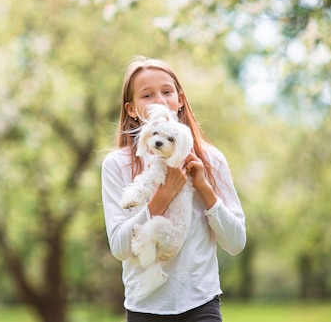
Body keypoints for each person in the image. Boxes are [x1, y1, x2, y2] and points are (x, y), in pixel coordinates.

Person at [101, 56, 246, 322]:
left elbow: (236, 243)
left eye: (167, 92)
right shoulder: (117, 165)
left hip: (202, 304)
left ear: (180, 100)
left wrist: (203, 187)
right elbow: (120, 247)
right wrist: (162, 197)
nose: (159, 100)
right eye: (147, 95)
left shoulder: (211, 160)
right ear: (132, 109)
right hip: (145, 307)